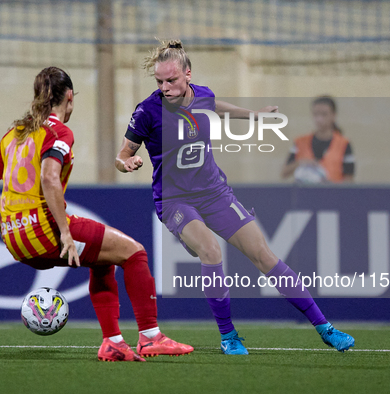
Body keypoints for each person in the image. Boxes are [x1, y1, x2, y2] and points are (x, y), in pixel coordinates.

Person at [115, 40, 355, 354]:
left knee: (265, 256)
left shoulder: (203, 94)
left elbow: (215, 106)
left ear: (188, 74)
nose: (165, 87)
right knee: (211, 251)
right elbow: (122, 155)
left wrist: (252, 115)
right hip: (175, 200)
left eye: (171, 80)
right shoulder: (147, 111)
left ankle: (325, 327)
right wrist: (126, 162)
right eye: (159, 82)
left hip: (214, 193)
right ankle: (228, 336)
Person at [0, 66, 193, 362]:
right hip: (47, 232)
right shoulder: (59, 132)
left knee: (103, 260)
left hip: (16, 239)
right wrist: (64, 232)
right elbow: (49, 178)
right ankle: (150, 336)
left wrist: (6, 228)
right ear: (69, 96)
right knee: (135, 254)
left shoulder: (13, 134)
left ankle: (113, 342)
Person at [281, 96, 355, 183]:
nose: (319, 119)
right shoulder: (300, 142)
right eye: (316, 114)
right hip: (304, 193)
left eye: (324, 114)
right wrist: (301, 163)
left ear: (333, 115)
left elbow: (349, 179)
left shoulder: (343, 144)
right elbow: (284, 173)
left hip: (331, 194)